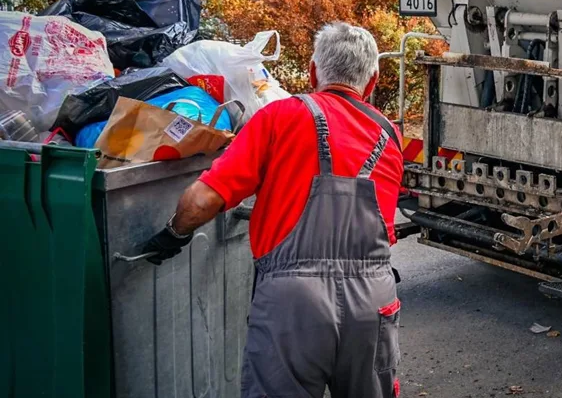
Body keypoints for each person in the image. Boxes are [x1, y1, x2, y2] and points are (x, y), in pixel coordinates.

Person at [139, 22, 404, 398]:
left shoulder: (279, 117)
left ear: (313, 72)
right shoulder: (389, 136)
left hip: (293, 303)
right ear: (373, 80)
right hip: (374, 300)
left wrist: (171, 235)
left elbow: (202, 200)